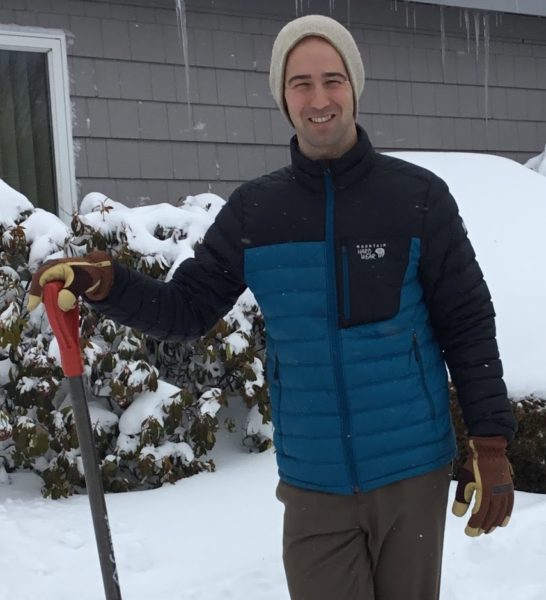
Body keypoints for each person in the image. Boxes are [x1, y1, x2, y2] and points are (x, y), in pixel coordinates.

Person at [29, 15, 516, 600]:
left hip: (411, 471)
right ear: (283, 98)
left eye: (332, 80)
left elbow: (467, 322)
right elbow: (187, 308)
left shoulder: (416, 198)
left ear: (354, 87)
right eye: (301, 83)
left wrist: (490, 444)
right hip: (314, 483)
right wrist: (109, 286)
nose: (319, 99)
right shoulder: (257, 212)